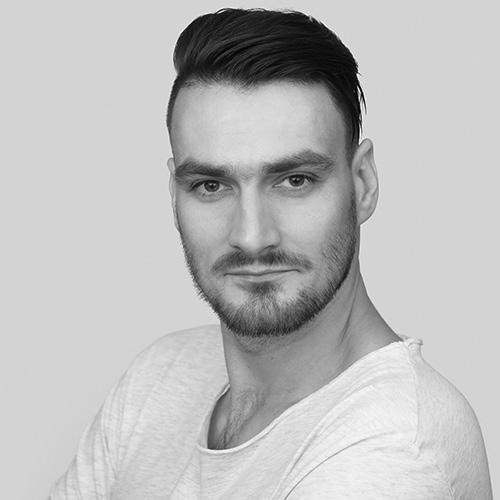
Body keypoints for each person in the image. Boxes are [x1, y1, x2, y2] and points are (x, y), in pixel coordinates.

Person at [49, 8, 492, 499]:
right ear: (175, 197)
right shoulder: (160, 376)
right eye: (211, 185)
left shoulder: (392, 449)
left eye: (294, 180)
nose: (252, 236)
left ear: (363, 183)